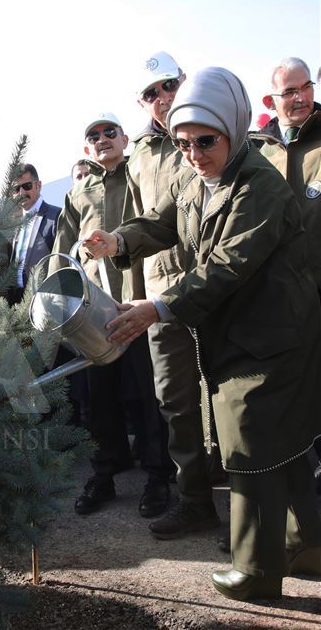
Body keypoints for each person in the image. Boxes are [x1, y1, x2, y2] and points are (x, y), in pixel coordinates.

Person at [83, 67, 321, 601]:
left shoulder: (258, 185)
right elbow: (162, 222)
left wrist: (158, 306)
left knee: (250, 447)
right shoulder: (199, 178)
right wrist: (117, 240)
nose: (193, 153)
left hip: (272, 337)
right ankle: (306, 544)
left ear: (234, 128)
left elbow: (225, 266)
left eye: (206, 141)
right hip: (238, 335)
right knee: (283, 448)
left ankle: (256, 571)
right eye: (183, 142)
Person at [50, 113, 170, 518]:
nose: (102, 139)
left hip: (139, 306)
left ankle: (158, 478)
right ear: (87, 148)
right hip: (95, 317)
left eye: (109, 132)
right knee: (99, 402)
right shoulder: (78, 193)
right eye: (93, 136)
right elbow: (60, 257)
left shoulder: (141, 175)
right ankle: (103, 475)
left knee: (153, 399)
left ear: (123, 138)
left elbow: (160, 226)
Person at [125, 51, 220, 541]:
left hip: (218, 287)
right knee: (175, 402)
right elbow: (146, 222)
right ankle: (195, 501)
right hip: (161, 293)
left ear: (184, 80)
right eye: (151, 93)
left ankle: (249, 508)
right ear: (140, 103)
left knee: (229, 393)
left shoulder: (217, 127)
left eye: (168, 85)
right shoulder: (137, 155)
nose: (162, 98)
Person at [253, 56, 321, 495]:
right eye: (288, 92)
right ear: (270, 100)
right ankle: (297, 508)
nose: (298, 98)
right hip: (277, 300)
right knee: (290, 401)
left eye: (305, 88)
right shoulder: (258, 152)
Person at [6, 164, 60, 306]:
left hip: (44, 298)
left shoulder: (56, 216)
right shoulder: (15, 225)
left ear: (39, 185)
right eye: (16, 189)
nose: (21, 193)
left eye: (27, 186)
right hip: (15, 300)